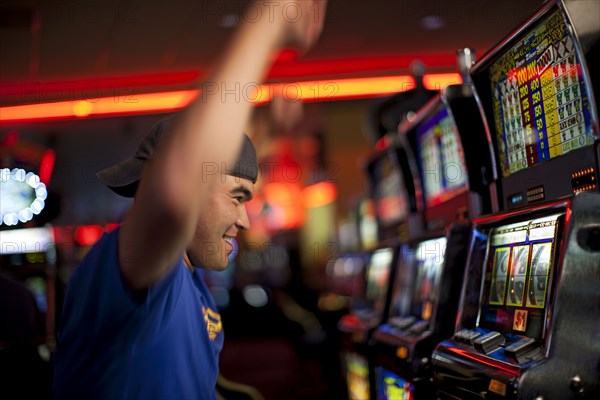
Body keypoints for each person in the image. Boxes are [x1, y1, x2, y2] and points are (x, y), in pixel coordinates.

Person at [53, 1, 327, 399]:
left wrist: (268, 129)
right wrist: (269, 21)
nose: (246, 221)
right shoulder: (130, 265)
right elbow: (179, 190)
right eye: (236, 199)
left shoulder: (189, 277)